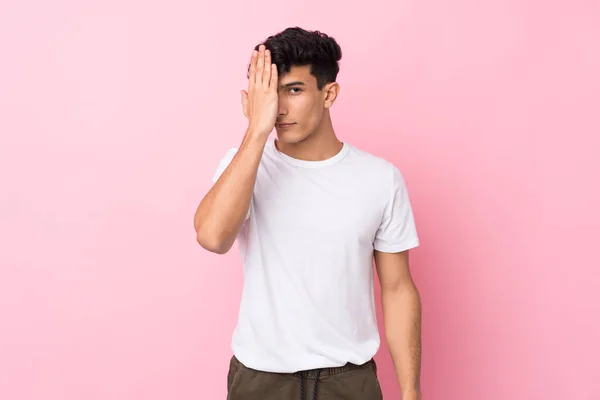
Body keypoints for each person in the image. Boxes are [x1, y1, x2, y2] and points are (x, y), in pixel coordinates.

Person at [194, 27, 423, 400]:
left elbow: (398, 289)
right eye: (268, 92)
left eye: (294, 90)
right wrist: (256, 131)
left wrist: (412, 393)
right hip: (261, 381)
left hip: (349, 382)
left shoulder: (380, 179)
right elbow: (212, 238)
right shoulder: (244, 167)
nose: (278, 108)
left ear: (328, 93)